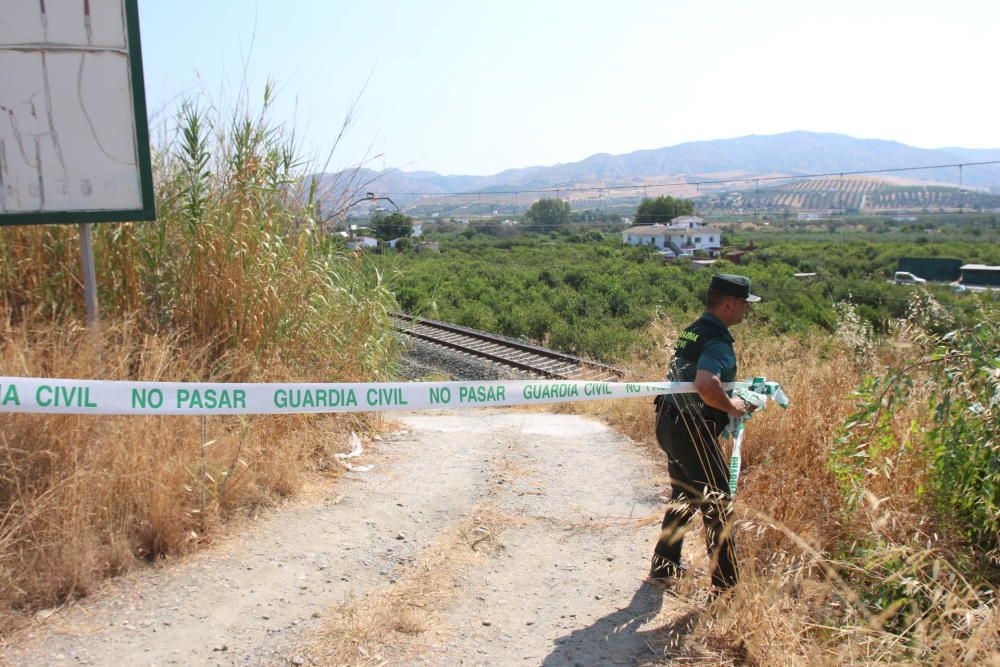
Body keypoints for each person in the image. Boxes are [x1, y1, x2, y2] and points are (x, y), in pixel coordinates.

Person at [650, 273, 760, 590]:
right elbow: (705, 384)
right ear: (728, 303)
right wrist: (733, 407)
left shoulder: (693, 331)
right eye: (744, 304)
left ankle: (664, 566)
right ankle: (726, 590)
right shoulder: (716, 340)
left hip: (669, 423)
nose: (746, 311)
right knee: (719, 505)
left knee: (684, 496)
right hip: (692, 430)